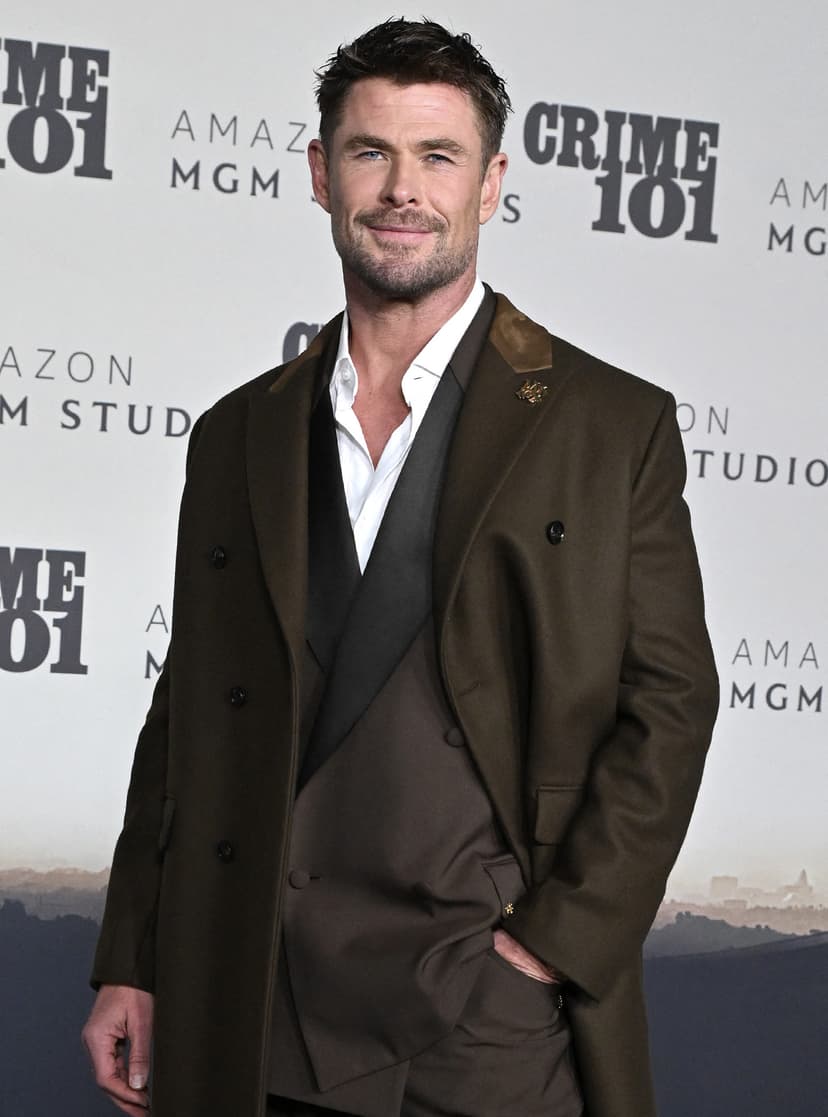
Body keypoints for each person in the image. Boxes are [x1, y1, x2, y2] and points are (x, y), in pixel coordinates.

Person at [82, 17, 718, 1117]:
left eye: (438, 156)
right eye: (370, 152)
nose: (402, 190)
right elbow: (185, 710)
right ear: (321, 174)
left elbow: (671, 700)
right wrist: (132, 954)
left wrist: (553, 947)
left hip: (484, 1024)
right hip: (250, 1001)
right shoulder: (237, 434)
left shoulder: (609, 425)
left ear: (492, 184)